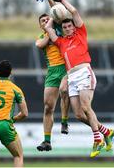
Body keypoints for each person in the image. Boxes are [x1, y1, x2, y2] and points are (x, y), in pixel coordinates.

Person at [44, 0, 114, 158]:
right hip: (72, 77)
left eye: (70, 26)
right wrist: (56, 15)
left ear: (74, 27)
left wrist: (60, 1)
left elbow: (74, 12)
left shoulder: (80, 33)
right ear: (62, 28)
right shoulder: (61, 42)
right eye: (65, 26)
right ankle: (106, 131)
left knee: (85, 107)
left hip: (84, 72)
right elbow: (48, 27)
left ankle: (97, 139)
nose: (68, 28)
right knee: (78, 114)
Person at [35, 11, 70, 151]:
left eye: (47, 19)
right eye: (42, 21)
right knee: (48, 107)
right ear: (40, 26)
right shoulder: (41, 37)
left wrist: (50, 0)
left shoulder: (59, 30)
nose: (45, 22)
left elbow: (58, 13)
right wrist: (49, 31)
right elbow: (40, 44)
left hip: (65, 68)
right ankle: (47, 141)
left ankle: (64, 121)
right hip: (52, 73)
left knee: (64, 90)